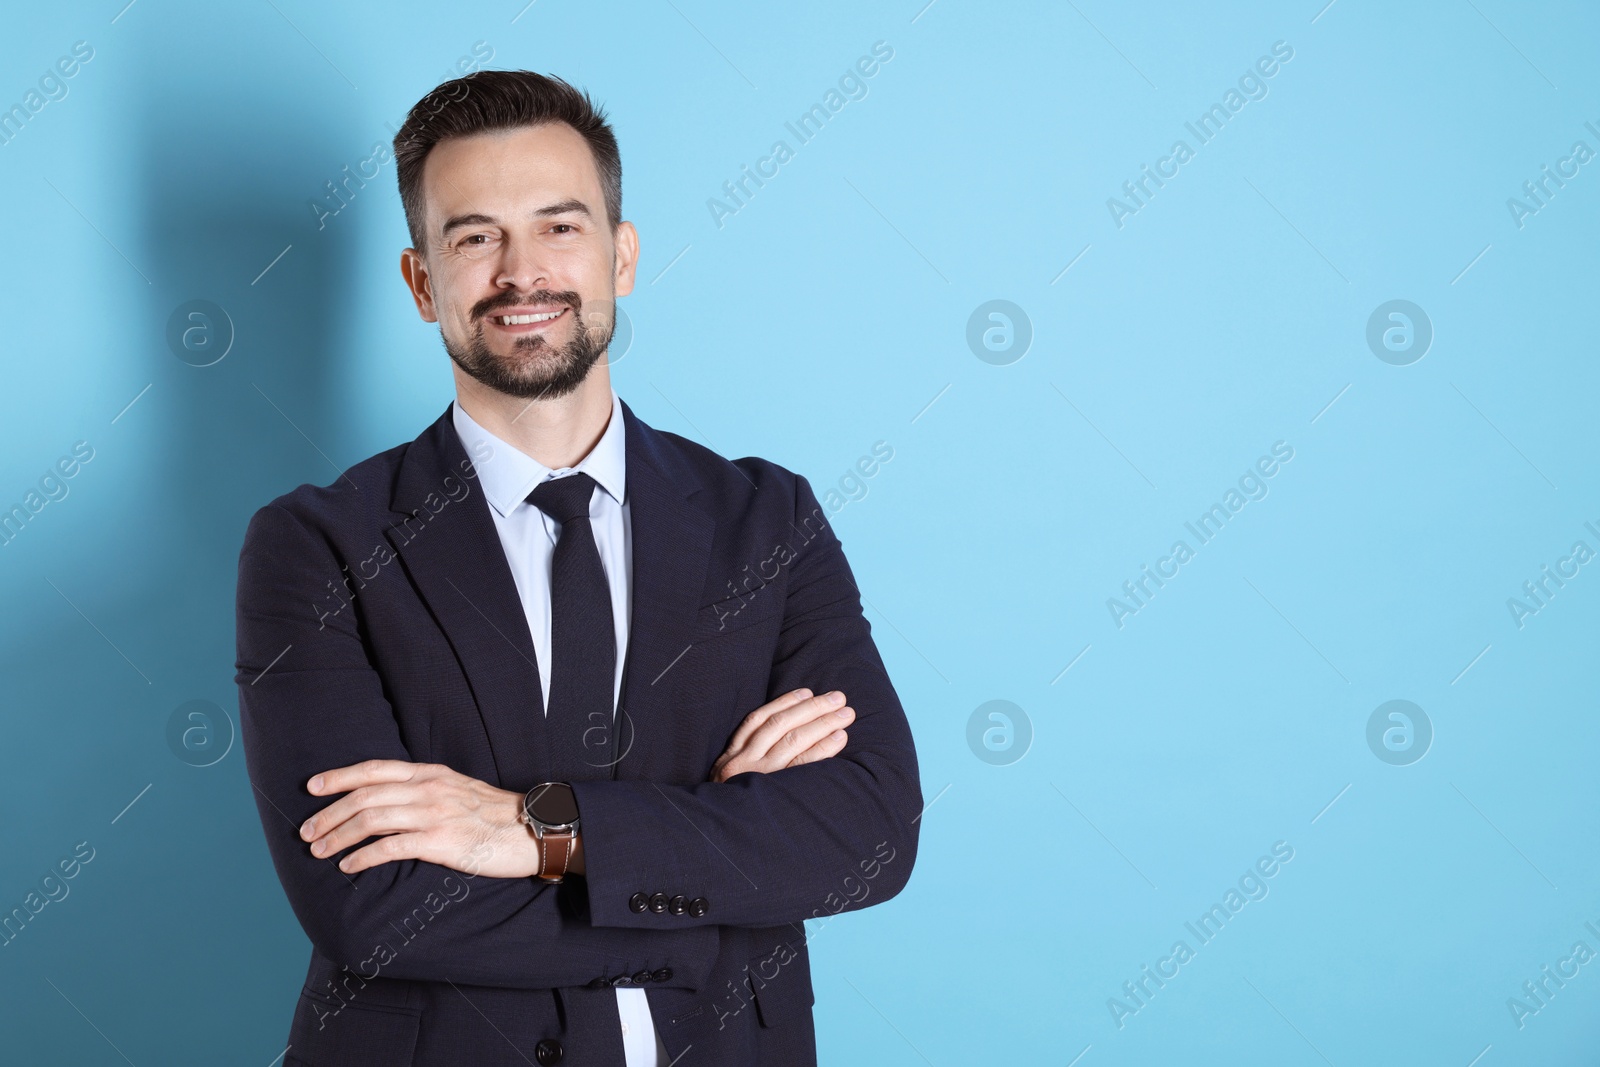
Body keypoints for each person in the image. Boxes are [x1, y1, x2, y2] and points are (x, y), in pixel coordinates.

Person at [235, 69, 921, 1067]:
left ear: (621, 254)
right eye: (475, 237)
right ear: (423, 282)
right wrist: (709, 890)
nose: (523, 274)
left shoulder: (765, 517)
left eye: (560, 227)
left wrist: (535, 830)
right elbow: (372, 905)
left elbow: (870, 829)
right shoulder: (316, 544)